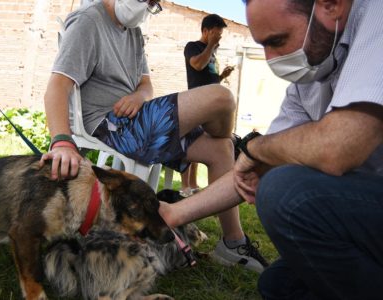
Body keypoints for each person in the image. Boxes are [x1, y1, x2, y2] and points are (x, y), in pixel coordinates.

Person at [159, 0, 383, 298]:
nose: (271, 59)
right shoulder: (308, 80)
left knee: (285, 192)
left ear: (332, 5)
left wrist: (257, 148)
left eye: (277, 40)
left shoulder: (376, 18)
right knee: (278, 285)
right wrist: (175, 213)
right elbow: (249, 170)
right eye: (262, 45)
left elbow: (337, 147)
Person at [41, 0, 268, 273]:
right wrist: (62, 141)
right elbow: (58, 84)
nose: (147, 7)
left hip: (136, 117)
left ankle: (233, 242)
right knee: (221, 98)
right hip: (109, 124)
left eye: (153, 3)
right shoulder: (88, 20)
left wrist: (138, 97)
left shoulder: (133, 31)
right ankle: (236, 142)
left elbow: (146, 84)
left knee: (219, 149)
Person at [180, 14, 235, 198]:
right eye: (216, 34)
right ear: (205, 31)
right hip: (195, 102)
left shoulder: (212, 53)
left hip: (208, 106)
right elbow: (196, 65)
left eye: (220, 35)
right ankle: (185, 186)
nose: (219, 38)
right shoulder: (193, 47)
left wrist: (222, 76)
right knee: (188, 143)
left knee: (199, 143)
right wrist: (210, 45)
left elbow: (209, 79)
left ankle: (194, 185)